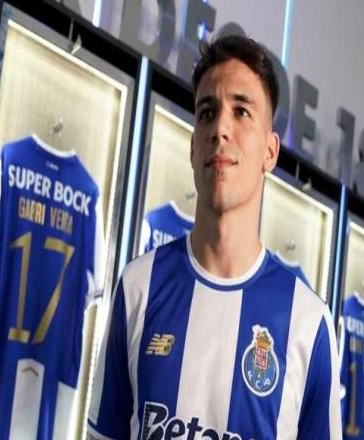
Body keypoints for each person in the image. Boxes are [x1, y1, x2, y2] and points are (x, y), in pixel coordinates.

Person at [88, 35, 342, 439]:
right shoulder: (138, 286)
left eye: (241, 111)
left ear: (270, 152)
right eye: (207, 112)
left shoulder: (308, 322)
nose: (220, 128)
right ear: (192, 147)